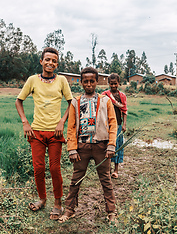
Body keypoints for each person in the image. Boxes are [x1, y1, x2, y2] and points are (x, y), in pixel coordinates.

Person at [15, 47, 73, 220]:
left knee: (55, 169)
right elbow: (18, 101)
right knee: (38, 168)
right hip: (36, 133)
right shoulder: (33, 80)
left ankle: (57, 203)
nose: (50, 63)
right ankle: (42, 199)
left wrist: (62, 122)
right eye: (47, 59)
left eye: (54, 60)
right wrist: (25, 122)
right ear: (41, 61)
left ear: (57, 64)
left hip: (55, 133)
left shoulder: (62, 80)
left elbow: (71, 103)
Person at [58, 67, 117, 223]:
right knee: (75, 180)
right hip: (81, 148)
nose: (89, 84)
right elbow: (70, 127)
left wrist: (111, 145)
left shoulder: (106, 101)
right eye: (86, 81)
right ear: (81, 82)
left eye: (92, 81)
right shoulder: (75, 102)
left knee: (106, 180)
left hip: (101, 147)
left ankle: (111, 213)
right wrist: (71, 149)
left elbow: (113, 123)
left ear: (97, 82)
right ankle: (69, 210)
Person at [102, 73, 127, 179]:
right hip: (107, 125)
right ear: (108, 83)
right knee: (107, 146)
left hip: (118, 124)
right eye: (111, 84)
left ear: (119, 83)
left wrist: (124, 125)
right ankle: (108, 169)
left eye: (115, 84)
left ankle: (116, 170)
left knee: (117, 147)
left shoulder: (122, 96)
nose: (113, 86)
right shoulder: (104, 95)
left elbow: (124, 111)